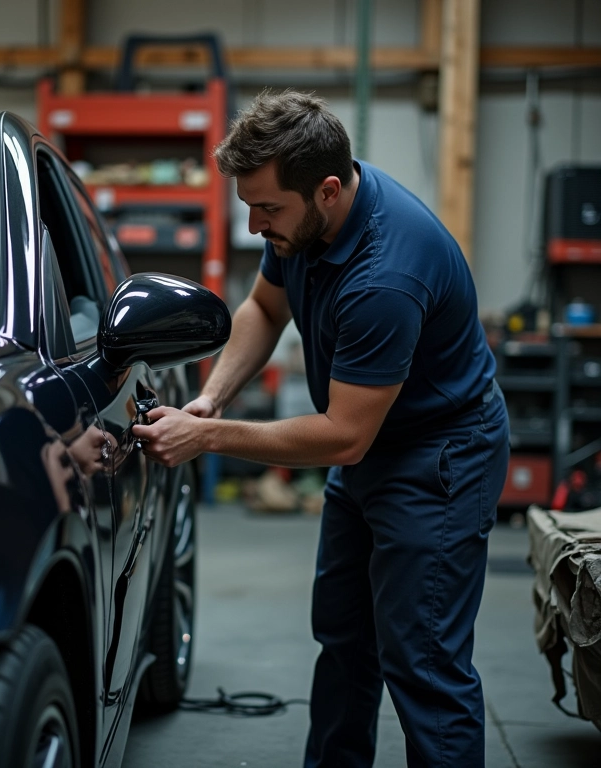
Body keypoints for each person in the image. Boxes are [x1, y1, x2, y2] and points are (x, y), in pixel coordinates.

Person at [132, 89, 510, 768]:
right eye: (249, 205)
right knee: (344, 640)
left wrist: (210, 439)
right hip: (371, 446)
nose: (255, 226)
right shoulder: (304, 220)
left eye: (268, 209)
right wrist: (211, 400)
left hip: (438, 458)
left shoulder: (385, 278)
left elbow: (343, 437)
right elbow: (263, 307)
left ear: (328, 191)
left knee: (422, 662)